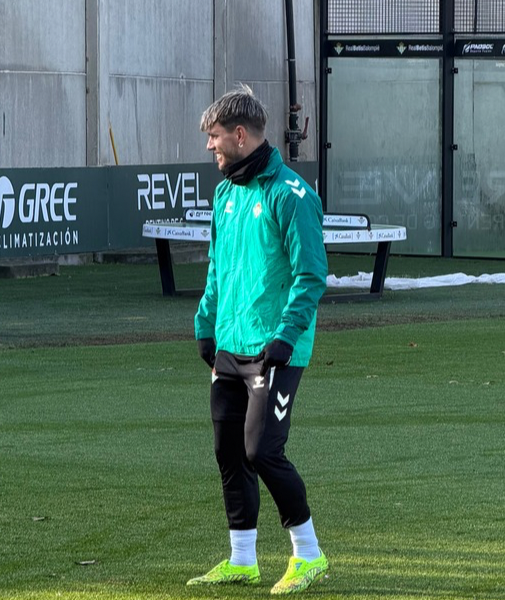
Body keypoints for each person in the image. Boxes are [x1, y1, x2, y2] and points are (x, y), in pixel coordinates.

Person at [187, 85, 329, 595]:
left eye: (216, 136)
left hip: (275, 350)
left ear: (240, 135)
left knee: (261, 450)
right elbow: (218, 271)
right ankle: (242, 560)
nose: (211, 146)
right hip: (229, 346)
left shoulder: (290, 194)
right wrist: (206, 327)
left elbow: (311, 274)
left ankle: (309, 555)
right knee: (228, 452)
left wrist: (286, 337)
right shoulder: (225, 194)